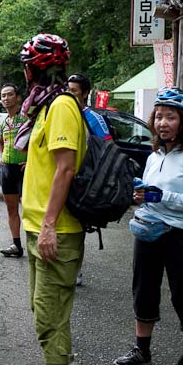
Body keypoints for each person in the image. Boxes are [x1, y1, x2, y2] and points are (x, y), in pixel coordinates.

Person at [113, 88, 183, 365]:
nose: (163, 122)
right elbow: (150, 195)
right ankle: (142, 350)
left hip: (180, 236)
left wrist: (161, 195)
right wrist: (140, 195)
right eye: (159, 116)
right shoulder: (155, 155)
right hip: (148, 232)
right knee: (143, 291)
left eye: (171, 117)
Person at [14, 34, 84, 365]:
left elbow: (66, 167)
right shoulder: (42, 108)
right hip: (37, 223)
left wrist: (50, 225)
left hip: (55, 228)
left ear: (33, 70)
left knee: (51, 313)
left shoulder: (59, 107)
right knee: (43, 312)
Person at [66, 73, 112, 286]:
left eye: (74, 92)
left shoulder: (93, 117)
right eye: (68, 91)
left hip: (83, 182)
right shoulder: (61, 113)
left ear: (85, 94)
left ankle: (76, 269)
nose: (70, 95)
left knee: (77, 228)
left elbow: (108, 147)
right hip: (61, 178)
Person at [0, 82, 27, 258]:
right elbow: (0, 142)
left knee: (29, 208)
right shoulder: (5, 121)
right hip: (6, 168)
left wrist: (30, 159)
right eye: (3, 96)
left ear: (18, 97)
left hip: (23, 167)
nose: (6, 98)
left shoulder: (26, 119)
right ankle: (16, 244)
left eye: (9, 94)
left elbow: (39, 141)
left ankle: (36, 244)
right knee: (11, 209)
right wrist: (0, 157)